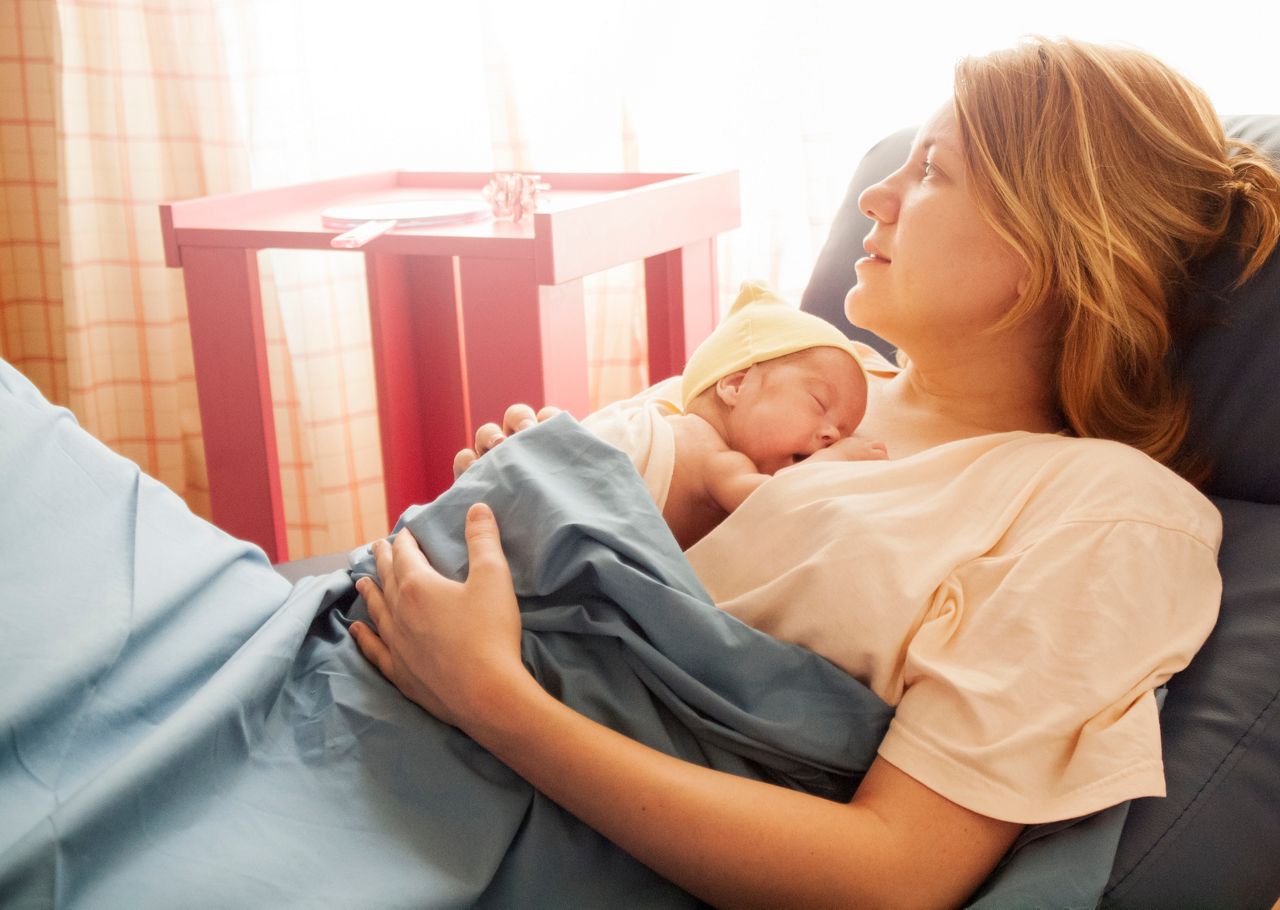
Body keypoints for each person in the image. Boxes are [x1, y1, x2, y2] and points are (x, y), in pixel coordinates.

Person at [349, 37, 1280, 907]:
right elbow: (614, 512)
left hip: (498, 781)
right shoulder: (809, 372)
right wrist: (526, 493)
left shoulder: (1102, 512)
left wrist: (495, 700)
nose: (875, 195)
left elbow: (896, 872)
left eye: (930, 173)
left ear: (1046, 252)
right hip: (372, 678)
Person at [584, 279, 887, 549]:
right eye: (819, 403)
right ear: (737, 385)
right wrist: (836, 459)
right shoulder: (710, 452)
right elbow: (773, 500)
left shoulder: (666, 426)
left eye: (842, 435)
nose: (832, 435)